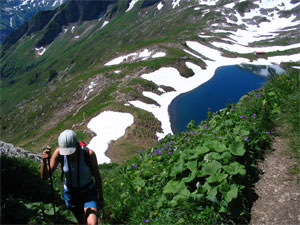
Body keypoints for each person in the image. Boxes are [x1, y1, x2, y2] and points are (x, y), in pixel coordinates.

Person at [40, 129, 104, 225]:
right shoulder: (58, 153)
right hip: (71, 194)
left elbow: (97, 176)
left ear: (77, 145)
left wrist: (101, 197)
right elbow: (45, 176)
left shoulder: (88, 154)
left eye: (70, 152)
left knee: (92, 223)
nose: (68, 155)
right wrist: (44, 161)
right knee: (81, 221)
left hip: (88, 192)